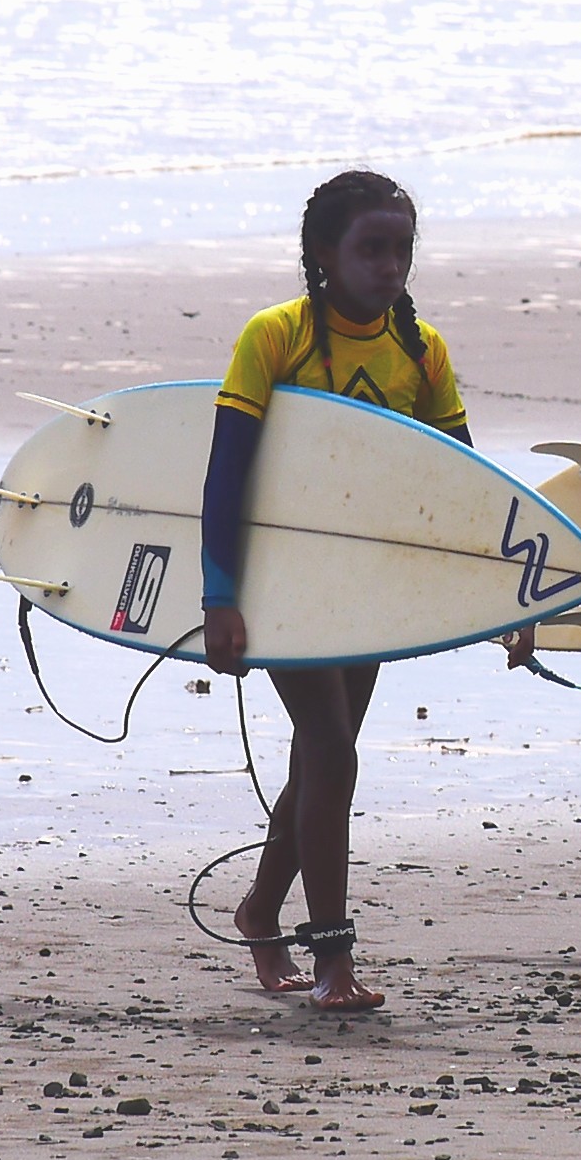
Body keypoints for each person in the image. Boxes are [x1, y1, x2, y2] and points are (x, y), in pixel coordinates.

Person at [200, 170, 472, 1010]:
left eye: (402, 250)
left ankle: (259, 909)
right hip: (278, 577)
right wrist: (219, 596)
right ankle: (332, 959)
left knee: (324, 754)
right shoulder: (274, 337)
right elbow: (226, 474)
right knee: (331, 748)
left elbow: (462, 481)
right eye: (371, 249)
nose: (390, 266)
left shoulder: (422, 350)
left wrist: (502, 602)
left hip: (365, 584)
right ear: (324, 253)